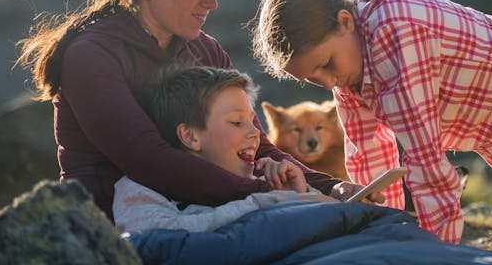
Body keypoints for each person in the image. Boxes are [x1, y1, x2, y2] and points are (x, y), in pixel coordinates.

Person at [15, 0, 356, 222]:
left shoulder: (205, 49)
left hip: (203, 215)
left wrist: (332, 188)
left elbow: (255, 140)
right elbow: (148, 158)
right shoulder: (91, 55)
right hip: (113, 230)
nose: (212, 3)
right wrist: (266, 194)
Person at [251, 0, 492, 265]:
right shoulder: (350, 57)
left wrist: (425, 256)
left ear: (344, 21)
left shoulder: (396, 35)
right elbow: (369, 163)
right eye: (312, 77)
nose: (329, 83)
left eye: (326, 65)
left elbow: (431, 176)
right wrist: (379, 238)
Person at [114, 65, 335, 233]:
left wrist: (298, 193)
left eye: (253, 121)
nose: (255, 133)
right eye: (237, 123)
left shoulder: (263, 181)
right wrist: (269, 202)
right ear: (190, 136)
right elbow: (161, 239)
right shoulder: (141, 188)